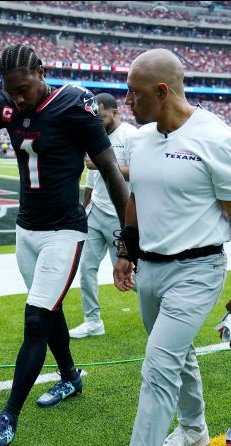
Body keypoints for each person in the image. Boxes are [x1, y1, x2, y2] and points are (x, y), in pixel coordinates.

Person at [0, 20, 129, 446]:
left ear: (42, 72)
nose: (18, 98)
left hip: (65, 229)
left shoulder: (76, 103)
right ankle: (70, 378)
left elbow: (113, 174)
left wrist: (126, 238)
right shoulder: (9, 106)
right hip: (27, 230)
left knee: (36, 318)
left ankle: (8, 416)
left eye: (24, 88)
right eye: (11, 90)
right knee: (51, 310)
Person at [114, 49, 231, 446]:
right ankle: (195, 430)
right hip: (150, 269)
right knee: (177, 358)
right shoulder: (140, 139)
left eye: (134, 93)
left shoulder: (218, 139)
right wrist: (126, 250)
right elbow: (137, 198)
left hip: (197, 270)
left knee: (158, 366)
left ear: (162, 91)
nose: (127, 102)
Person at [69, 93, 136, 339]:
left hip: (121, 216)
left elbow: (141, 171)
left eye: (102, 116)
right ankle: (93, 321)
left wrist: (105, 165)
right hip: (96, 212)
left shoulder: (130, 135)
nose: (98, 121)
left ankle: (163, 309)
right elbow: (91, 177)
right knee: (86, 267)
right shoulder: (97, 136)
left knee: (132, 274)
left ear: (115, 112)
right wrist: (84, 206)